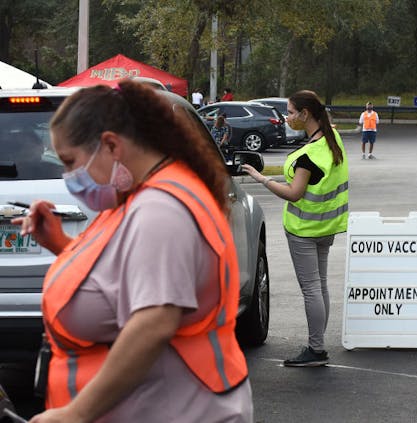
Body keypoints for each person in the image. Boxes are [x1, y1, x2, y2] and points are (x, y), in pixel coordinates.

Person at [14, 81, 252, 422]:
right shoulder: (141, 197)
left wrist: (77, 413)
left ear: (111, 144)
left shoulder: (161, 209)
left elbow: (153, 323)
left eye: (70, 162)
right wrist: (60, 245)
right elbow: (121, 278)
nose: (69, 177)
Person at [241, 90, 348, 367]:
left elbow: (294, 193)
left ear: (305, 114)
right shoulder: (332, 138)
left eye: (290, 112)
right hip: (326, 226)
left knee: (311, 288)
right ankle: (318, 341)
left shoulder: (308, 156)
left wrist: (261, 179)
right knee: (320, 285)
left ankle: (316, 348)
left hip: (304, 229)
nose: (287, 117)